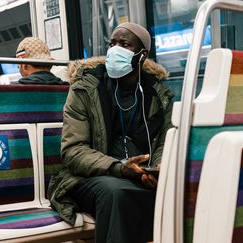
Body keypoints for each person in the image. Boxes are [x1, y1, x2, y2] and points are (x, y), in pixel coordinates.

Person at [48, 22, 174, 243]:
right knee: (116, 192)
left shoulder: (158, 94)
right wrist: (118, 168)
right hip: (90, 176)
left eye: (124, 44)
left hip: (140, 174)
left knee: (176, 191)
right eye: (112, 43)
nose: (114, 49)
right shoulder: (85, 88)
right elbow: (73, 150)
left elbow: (166, 141)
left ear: (141, 55)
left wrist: (158, 170)